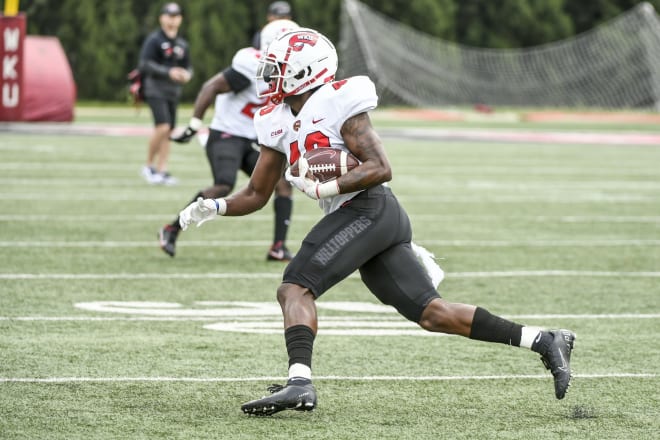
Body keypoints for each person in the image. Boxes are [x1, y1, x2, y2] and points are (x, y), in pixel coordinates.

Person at [178, 28, 576, 416]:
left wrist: (325, 187)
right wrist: (214, 207)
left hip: (368, 208)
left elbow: (381, 167)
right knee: (432, 314)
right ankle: (543, 339)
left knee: (295, 288)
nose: (270, 78)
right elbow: (256, 194)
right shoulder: (275, 120)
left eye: (278, 69)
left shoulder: (338, 101)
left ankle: (299, 383)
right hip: (367, 217)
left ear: (305, 71)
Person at [161, 19, 300, 260]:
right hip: (226, 134)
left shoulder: (288, 72)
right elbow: (210, 87)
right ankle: (172, 229)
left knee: (282, 184)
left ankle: (278, 247)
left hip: (252, 138)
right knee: (223, 185)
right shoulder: (251, 65)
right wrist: (194, 124)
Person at [138, 2, 192, 185]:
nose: (172, 20)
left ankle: (162, 170)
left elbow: (188, 67)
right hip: (155, 89)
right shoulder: (154, 40)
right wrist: (167, 72)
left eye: (176, 16)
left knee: (169, 130)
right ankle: (148, 166)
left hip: (173, 92)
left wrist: (187, 75)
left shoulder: (182, 44)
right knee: (162, 126)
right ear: (162, 18)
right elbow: (145, 64)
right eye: (169, 16)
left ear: (180, 19)